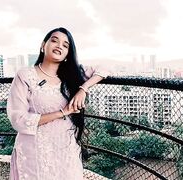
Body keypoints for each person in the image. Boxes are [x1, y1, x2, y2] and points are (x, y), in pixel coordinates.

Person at [7, 27, 108, 180]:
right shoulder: (25, 75)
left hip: (66, 149)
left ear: (68, 54)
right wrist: (62, 112)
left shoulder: (73, 74)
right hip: (35, 151)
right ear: (43, 45)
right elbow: (18, 120)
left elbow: (104, 68)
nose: (59, 46)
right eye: (54, 40)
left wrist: (83, 88)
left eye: (65, 45)